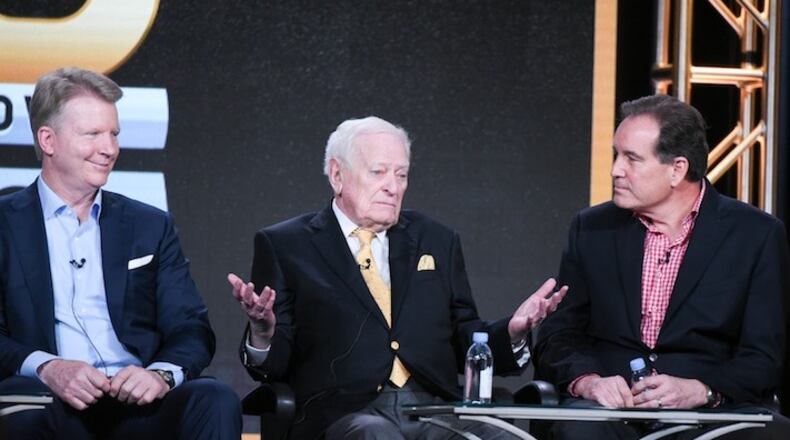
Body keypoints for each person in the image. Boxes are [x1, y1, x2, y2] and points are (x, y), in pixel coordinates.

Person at [228, 116, 568, 439]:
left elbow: (465, 334)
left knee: (499, 436)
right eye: (378, 173)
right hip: (344, 414)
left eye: (401, 175)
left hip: (433, 409)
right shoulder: (287, 245)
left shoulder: (435, 239)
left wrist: (512, 332)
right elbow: (272, 366)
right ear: (337, 175)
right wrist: (263, 331)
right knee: (374, 435)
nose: (393, 187)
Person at [0, 67, 241, 439]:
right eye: (93, 134)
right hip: (47, 396)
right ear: (48, 140)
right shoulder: (5, 223)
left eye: (113, 134)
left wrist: (160, 374)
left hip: (136, 398)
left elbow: (190, 327)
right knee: (26, 408)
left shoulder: (149, 225)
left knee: (214, 398)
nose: (110, 148)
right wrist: (48, 368)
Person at [534, 94, 789, 439]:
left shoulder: (755, 235)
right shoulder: (592, 228)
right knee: (579, 430)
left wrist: (702, 390)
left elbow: (763, 356)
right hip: (610, 414)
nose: (615, 170)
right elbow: (558, 336)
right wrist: (589, 382)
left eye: (632, 159)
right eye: (616, 155)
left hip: (711, 415)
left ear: (677, 169)